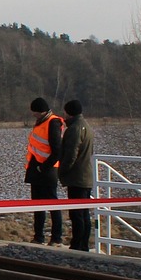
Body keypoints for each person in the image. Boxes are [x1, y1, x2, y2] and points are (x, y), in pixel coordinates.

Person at [50, 99, 97, 251]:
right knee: (84, 213)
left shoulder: (74, 129)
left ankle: (78, 245)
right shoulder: (87, 127)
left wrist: (62, 171)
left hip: (77, 177)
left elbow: (71, 154)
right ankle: (83, 244)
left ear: (69, 112)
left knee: (77, 213)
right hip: (86, 176)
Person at [23, 97, 64, 245]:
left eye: (34, 111)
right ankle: (39, 236)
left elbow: (57, 150)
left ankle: (56, 237)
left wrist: (43, 167)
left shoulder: (52, 122)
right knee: (38, 205)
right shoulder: (43, 122)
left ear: (40, 111)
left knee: (52, 203)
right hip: (38, 170)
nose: (33, 114)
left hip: (47, 170)